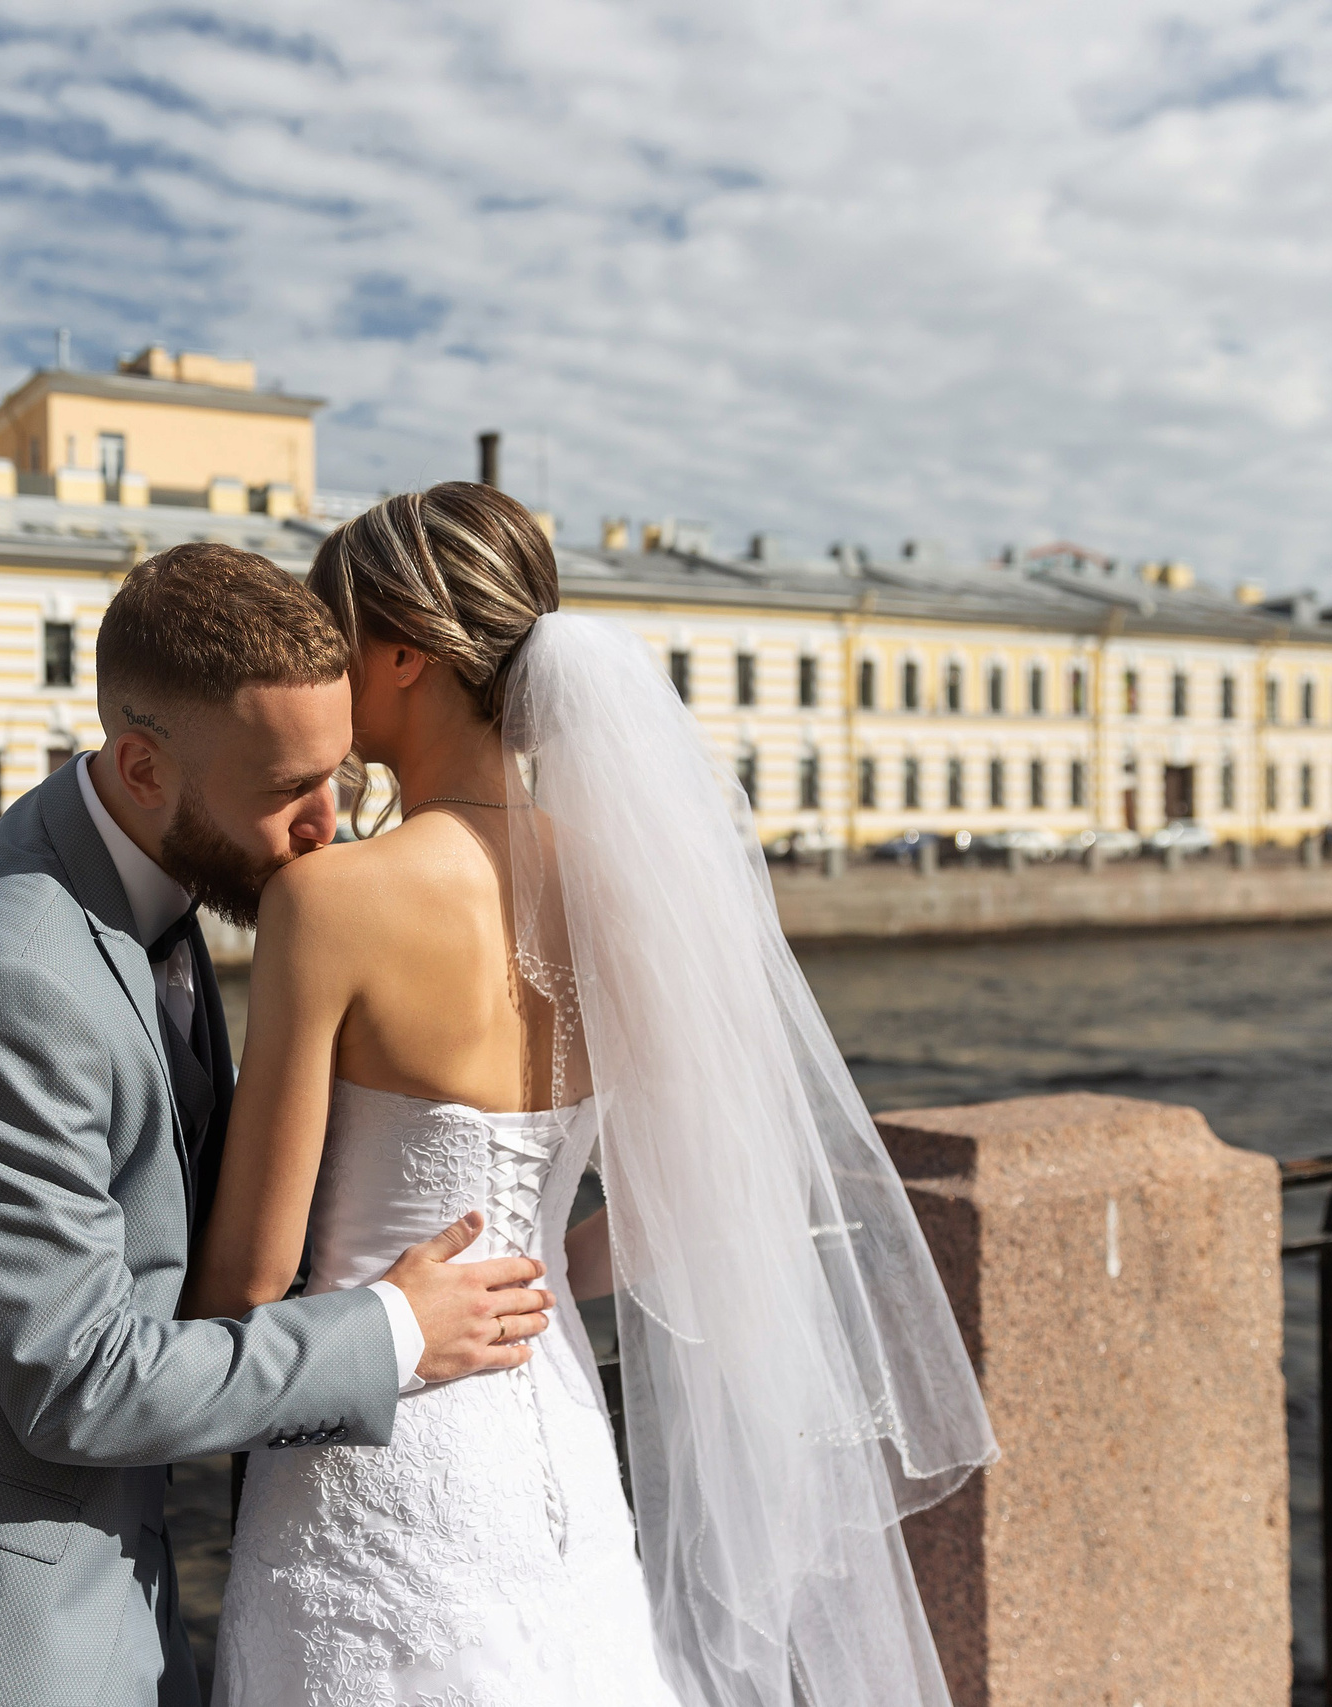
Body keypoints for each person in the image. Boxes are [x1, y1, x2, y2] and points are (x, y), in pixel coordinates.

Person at [198, 484, 998, 1707]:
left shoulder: (334, 902)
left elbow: (243, 1293)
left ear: (404, 651)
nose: (317, 664)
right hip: (557, 1432)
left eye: (332, 633)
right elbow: (713, 1179)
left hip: (380, 1460)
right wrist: (526, 1275)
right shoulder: (629, 886)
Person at [0, 542, 561, 1707]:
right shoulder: (8, 983)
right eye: (286, 795)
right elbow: (81, 1383)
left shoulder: (155, 861)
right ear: (143, 767)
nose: (328, 829)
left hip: (106, 1577)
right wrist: (392, 1331)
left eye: (342, 780)